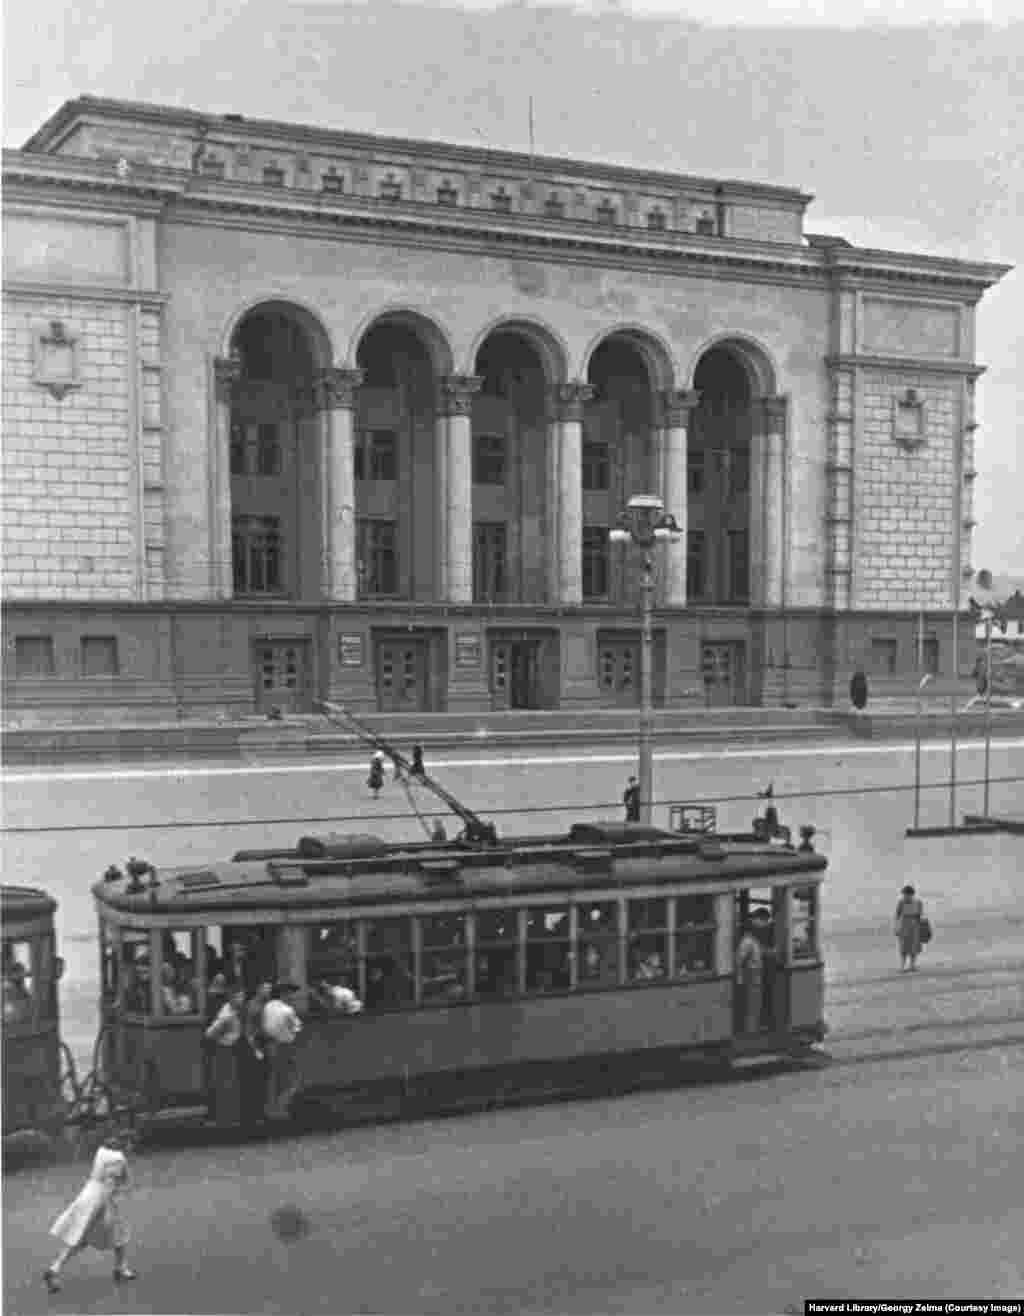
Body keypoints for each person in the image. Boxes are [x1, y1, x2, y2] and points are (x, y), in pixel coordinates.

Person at [44, 1134, 137, 1292]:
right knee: (118, 1232)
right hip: (100, 1200)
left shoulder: (101, 1152)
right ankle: (120, 1269)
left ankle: (55, 1268)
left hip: (87, 1194)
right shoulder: (117, 1159)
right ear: (123, 1144)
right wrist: (108, 1209)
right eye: (129, 1143)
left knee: (89, 1237)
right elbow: (109, 1184)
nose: (131, 1147)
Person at [204, 987, 245, 1127]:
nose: (242, 999)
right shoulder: (226, 1015)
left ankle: (230, 1117)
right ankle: (225, 1119)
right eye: (239, 997)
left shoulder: (234, 1011)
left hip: (230, 1050)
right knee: (225, 1084)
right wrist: (221, 1038)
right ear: (232, 998)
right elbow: (210, 1033)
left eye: (243, 997)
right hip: (224, 1051)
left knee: (231, 1083)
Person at [261, 984, 303, 1120]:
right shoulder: (288, 1010)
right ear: (284, 994)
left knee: (272, 1078)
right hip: (284, 1046)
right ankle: (281, 1108)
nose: (292, 996)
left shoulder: (268, 1006)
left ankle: (270, 1109)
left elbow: (265, 1025)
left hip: (268, 1045)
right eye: (290, 993)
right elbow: (297, 1027)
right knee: (290, 1079)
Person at [735, 921, 763, 1035]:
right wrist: (740, 977)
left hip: (754, 975)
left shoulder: (751, 941)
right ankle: (750, 1031)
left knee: (754, 1003)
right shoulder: (747, 942)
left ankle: (752, 1028)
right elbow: (739, 960)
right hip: (751, 976)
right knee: (752, 1003)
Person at [895, 883, 925, 972]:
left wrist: (921, 928)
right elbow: (897, 915)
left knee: (914, 947)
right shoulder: (901, 902)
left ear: (912, 894)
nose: (905, 896)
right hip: (904, 925)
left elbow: (920, 915)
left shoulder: (918, 902)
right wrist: (897, 927)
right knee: (903, 947)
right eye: (904, 894)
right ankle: (902, 966)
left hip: (915, 925)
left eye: (907, 894)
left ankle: (912, 965)